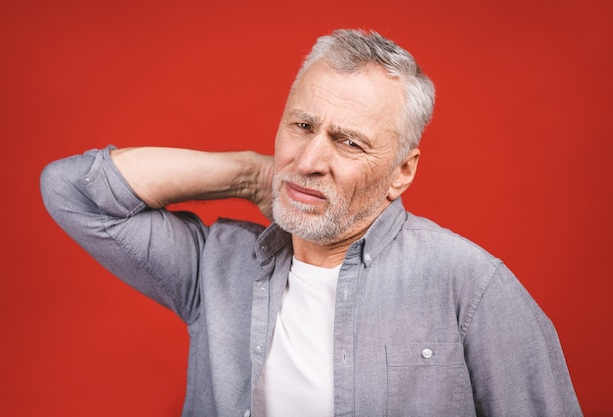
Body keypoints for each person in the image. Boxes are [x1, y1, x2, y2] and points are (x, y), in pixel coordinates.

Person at [40, 29, 582, 417]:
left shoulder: (472, 285)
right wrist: (249, 174)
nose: (308, 160)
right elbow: (74, 191)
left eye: (348, 141)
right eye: (301, 126)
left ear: (401, 172)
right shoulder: (216, 269)